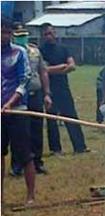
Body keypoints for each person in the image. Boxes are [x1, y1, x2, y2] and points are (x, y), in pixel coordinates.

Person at [39, 23, 89, 155]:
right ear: (42, 36)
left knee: (71, 116)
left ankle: (80, 146)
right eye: (45, 34)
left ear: (55, 33)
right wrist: (61, 67)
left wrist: (55, 69)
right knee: (51, 119)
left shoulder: (63, 48)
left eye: (50, 33)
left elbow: (72, 66)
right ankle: (55, 149)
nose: (49, 36)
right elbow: (43, 70)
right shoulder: (40, 51)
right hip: (48, 89)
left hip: (63, 88)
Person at [10, 23, 52, 176]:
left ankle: (37, 162)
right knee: (19, 132)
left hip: (35, 94)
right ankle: (17, 165)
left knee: (36, 130)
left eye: (24, 35)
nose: (22, 37)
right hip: (18, 97)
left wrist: (47, 93)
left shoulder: (35, 51)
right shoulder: (10, 53)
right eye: (19, 35)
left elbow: (43, 72)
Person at [1, 17, 35, 204]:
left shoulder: (19, 52)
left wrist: (11, 103)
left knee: (24, 154)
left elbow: (25, 80)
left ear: (11, 33)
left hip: (18, 111)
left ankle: (30, 196)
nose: (2, 36)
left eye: (5, 31)